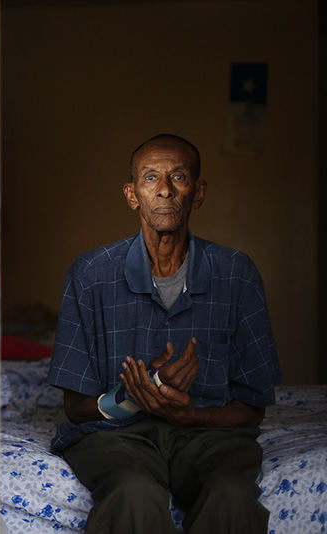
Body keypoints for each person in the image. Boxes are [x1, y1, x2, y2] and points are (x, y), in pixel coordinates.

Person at [47, 133, 282, 533]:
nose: (165, 190)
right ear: (132, 194)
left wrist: (192, 414)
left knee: (232, 497)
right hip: (117, 438)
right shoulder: (90, 273)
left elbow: (253, 406)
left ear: (198, 192)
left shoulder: (237, 273)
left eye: (179, 177)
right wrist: (134, 397)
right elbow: (75, 407)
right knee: (133, 493)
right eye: (151, 178)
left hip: (210, 439)